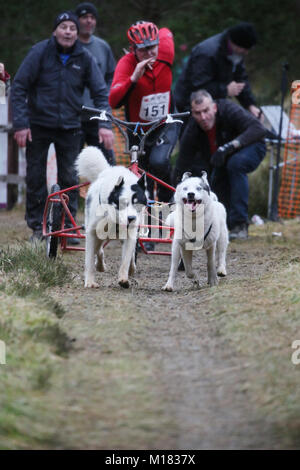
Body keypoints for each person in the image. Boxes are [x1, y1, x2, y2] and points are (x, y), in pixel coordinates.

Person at [11, 11, 114, 242]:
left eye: (72, 28)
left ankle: (67, 226)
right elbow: (19, 87)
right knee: (35, 176)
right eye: (64, 27)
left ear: (77, 34)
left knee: (69, 177)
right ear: (55, 30)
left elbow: (100, 92)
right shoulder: (38, 53)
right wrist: (21, 124)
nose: (68, 32)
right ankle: (38, 227)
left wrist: (104, 124)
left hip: (70, 126)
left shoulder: (85, 57)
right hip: (38, 125)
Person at [174, 90, 267, 240]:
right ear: (192, 113)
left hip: (252, 145)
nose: (203, 117)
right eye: (198, 113)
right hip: (224, 158)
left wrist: (229, 146)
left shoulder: (229, 109)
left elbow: (259, 129)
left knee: (236, 164)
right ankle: (224, 224)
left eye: (206, 111)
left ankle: (240, 224)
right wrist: (175, 200)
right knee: (214, 183)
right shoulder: (192, 129)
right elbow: (181, 165)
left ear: (214, 108)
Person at [109, 20, 179, 203]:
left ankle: (167, 207)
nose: (149, 53)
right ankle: (144, 221)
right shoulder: (126, 63)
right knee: (141, 177)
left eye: (152, 47)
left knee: (159, 162)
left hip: (166, 122)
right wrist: (133, 78)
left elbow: (166, 31)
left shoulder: (166, 49)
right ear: (133, 49)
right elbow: (113, 100)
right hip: (138, 129)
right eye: (143, 50)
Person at [174, 22, 261, 120]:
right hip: (189, 107)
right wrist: (225, 90)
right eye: (245, 49)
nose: (246, 53)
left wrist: (250, 105)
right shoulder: (207, 53)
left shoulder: (236, 54)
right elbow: (198, 86)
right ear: (236, 44)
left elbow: (240, 79)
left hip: (212, 106)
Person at [75, 2, 116, 164]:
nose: (89, 21)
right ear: (76, 20)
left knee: (108, 163)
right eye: (84, 17)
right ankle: (71, 191)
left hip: (98, 117)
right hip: (73, 118)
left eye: (92, 17)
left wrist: (107, 95)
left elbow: (111, 76)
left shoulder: (103, 47)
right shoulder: (69, 47)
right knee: (70, 166)